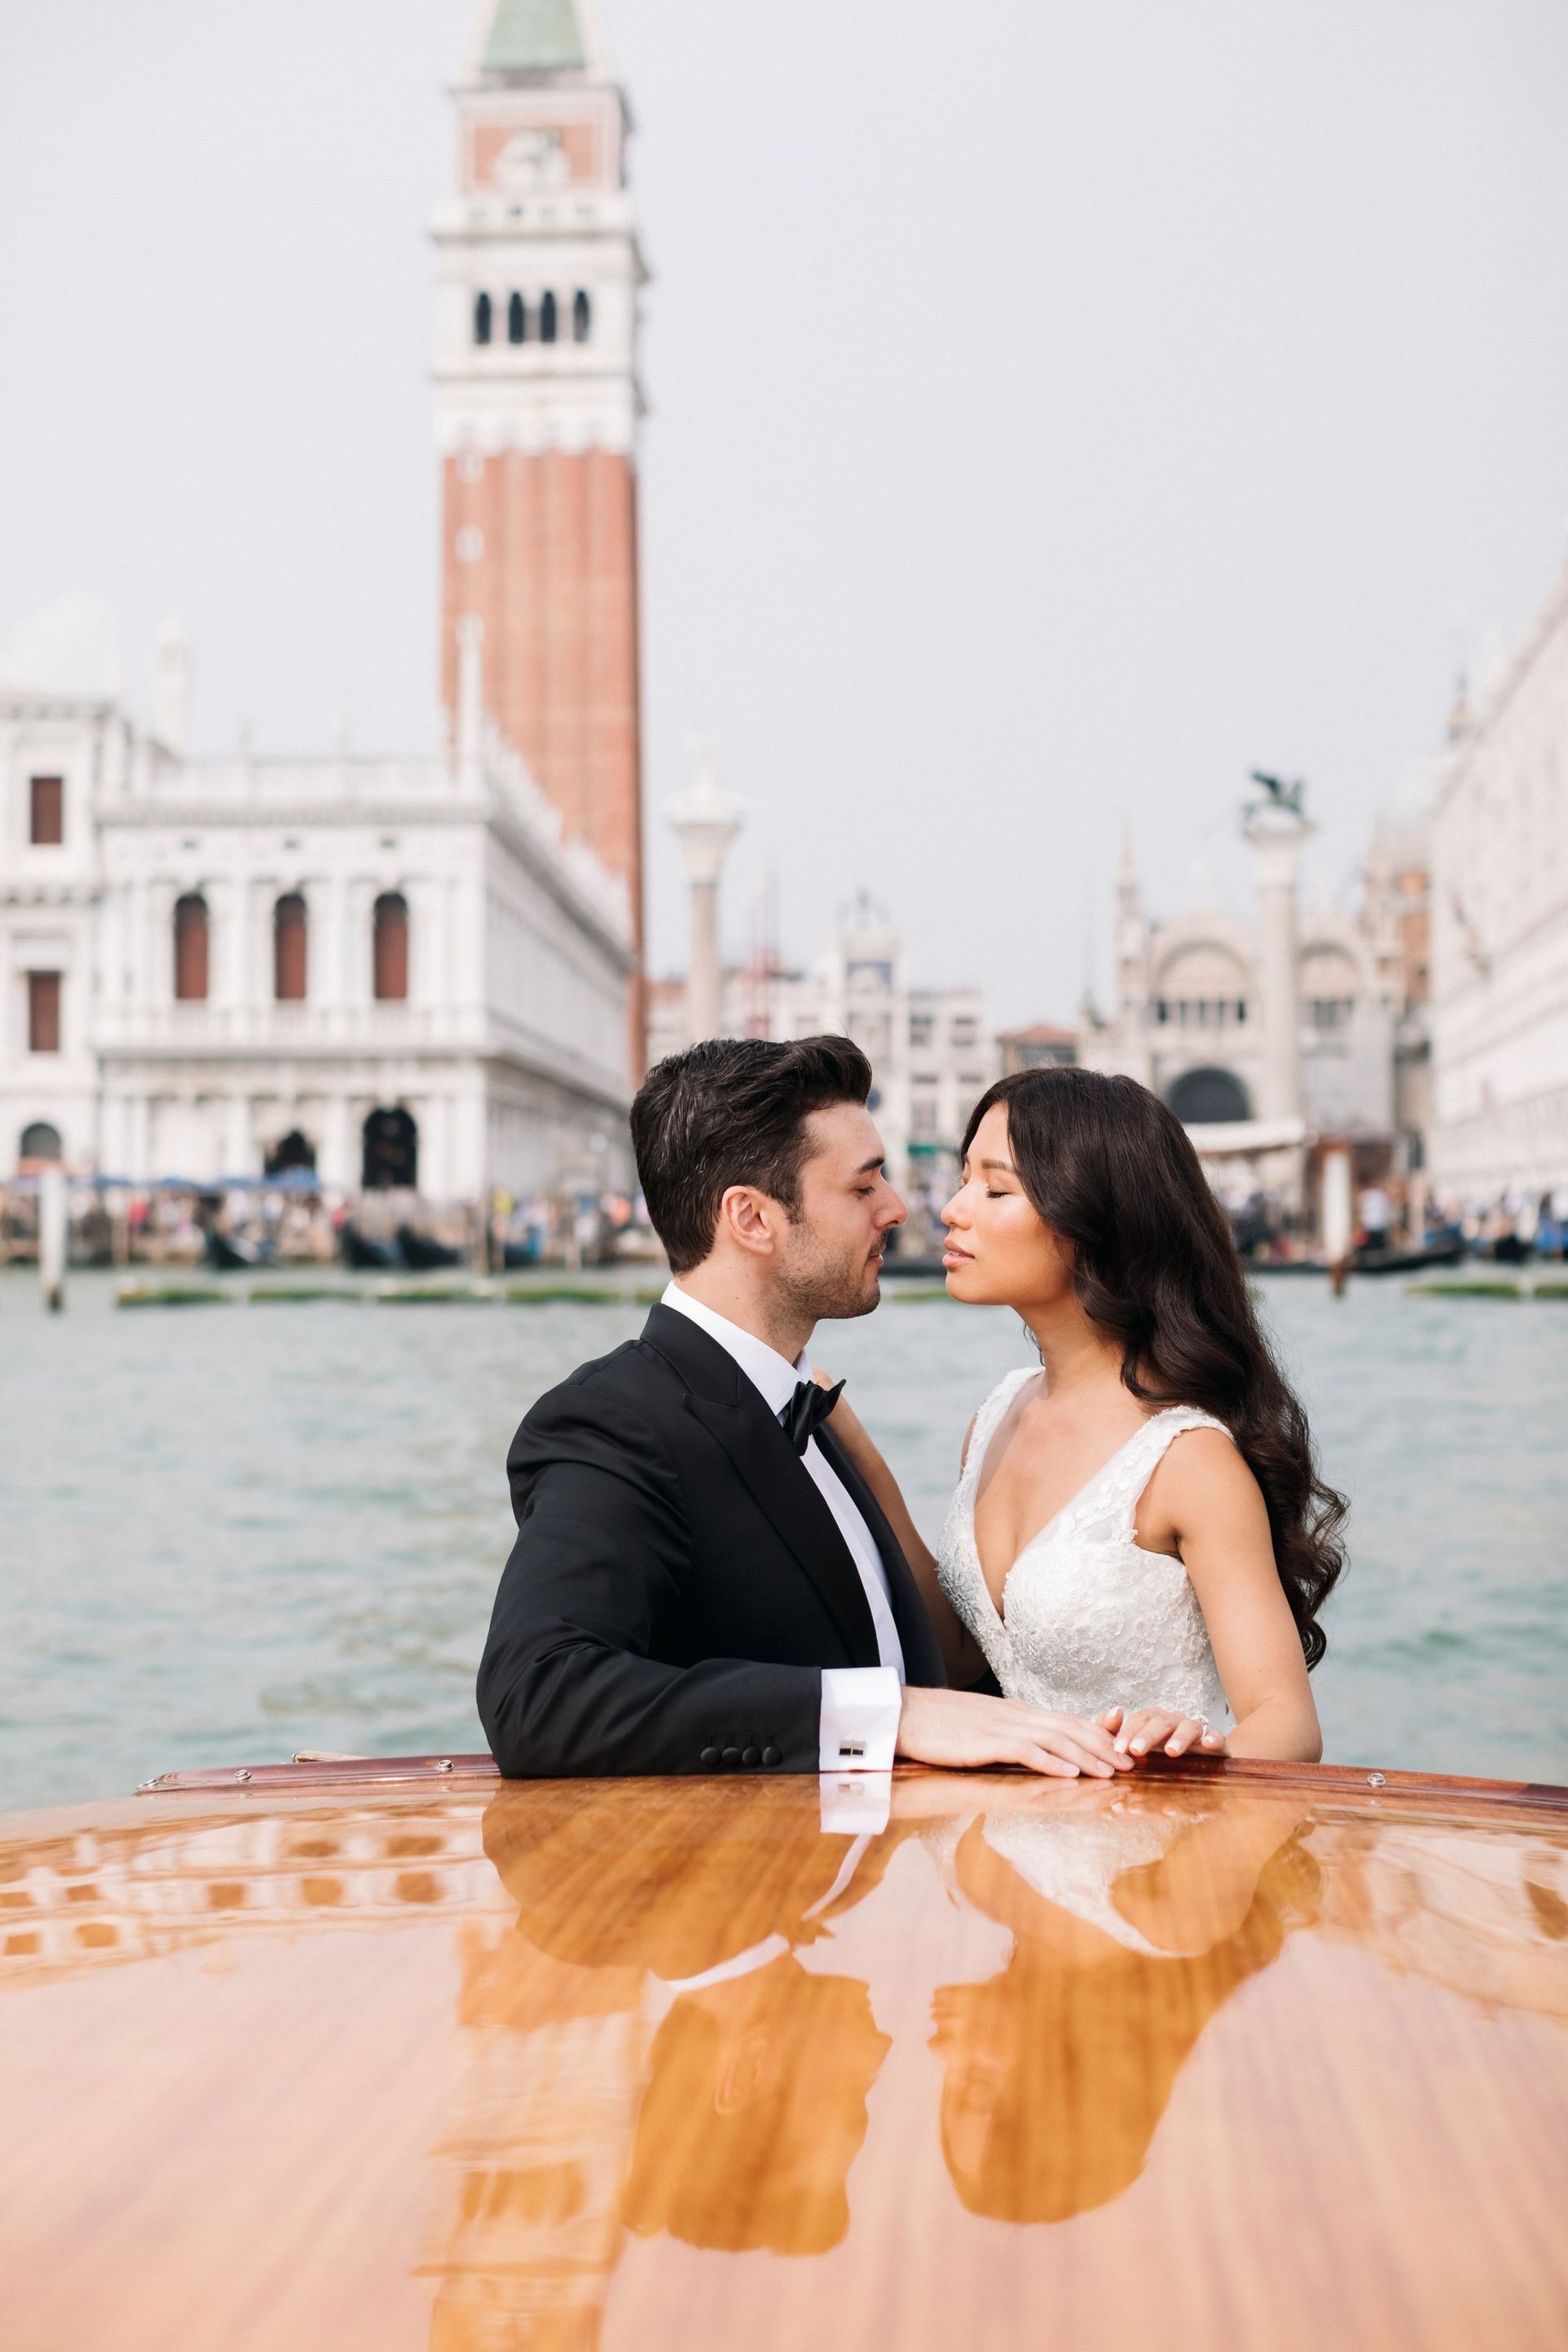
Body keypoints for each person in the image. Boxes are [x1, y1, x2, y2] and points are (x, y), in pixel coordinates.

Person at [476, 1036, 1134, 1782]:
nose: (898, 1209)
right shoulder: (615, 1421)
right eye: (861, 1189)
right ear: (752, 1219)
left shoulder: (812, 1409)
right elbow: (538, 1697)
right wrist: (892, 1714)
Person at [826, 1067, 1346, 1762]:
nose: (953, 1209)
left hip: (1146, 1854)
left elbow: (1287, 1723)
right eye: (964, 1179)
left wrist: (1199, 1754)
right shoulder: (996, 1416)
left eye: (996, 1188)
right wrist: (860, 1455)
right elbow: (955, 1659)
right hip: (997, 1854)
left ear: (1093, 1223)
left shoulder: (1187, 1459)